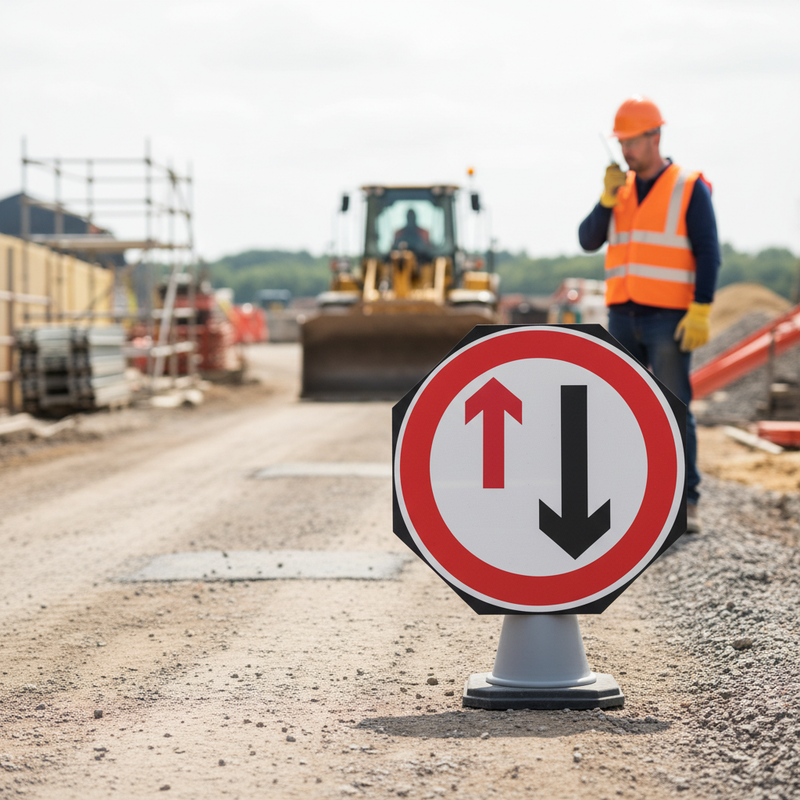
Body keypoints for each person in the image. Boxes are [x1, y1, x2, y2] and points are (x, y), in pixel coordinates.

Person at [578, 96, 720, 533]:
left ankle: (686, 501)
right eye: (620, 143)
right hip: (623, 314)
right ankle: (629, 497)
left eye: (632, 142)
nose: (625, 151)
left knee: (675, 407)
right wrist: (605, 200)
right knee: (622, 408)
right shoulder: (618, 190)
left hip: (668, 317)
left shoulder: (687, 185)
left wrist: (701, 308)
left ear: (655, 136)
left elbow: (708, 251)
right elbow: (588, 240)